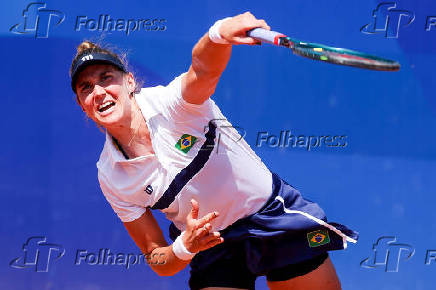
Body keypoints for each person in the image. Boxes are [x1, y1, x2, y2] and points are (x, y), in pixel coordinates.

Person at [69, 12, 358, 290]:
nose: (98, 92)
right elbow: (156, 256)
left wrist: (218, 33)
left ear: (129, 81)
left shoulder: (173, 105)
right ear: (83, 105)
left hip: (270, 216)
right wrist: (184, 246)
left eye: (106, 78)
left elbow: (203, 68)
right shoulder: (111, 175)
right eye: (86, 88)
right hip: (210, 243)